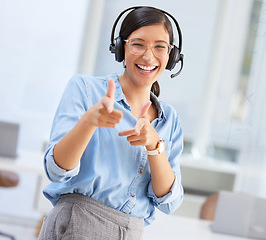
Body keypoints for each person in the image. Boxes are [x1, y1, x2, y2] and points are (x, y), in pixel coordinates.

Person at [38, 6, 184, 240]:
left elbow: (169, 201)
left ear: (171, 56)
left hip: (132, 231)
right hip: (80, 223)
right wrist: (89, 122)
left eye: (160, 47)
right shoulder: (85, 90)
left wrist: (155, 145)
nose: (148, 56)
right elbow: (56, 171)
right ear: (120, 48)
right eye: (138, 44)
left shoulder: (170, 120)